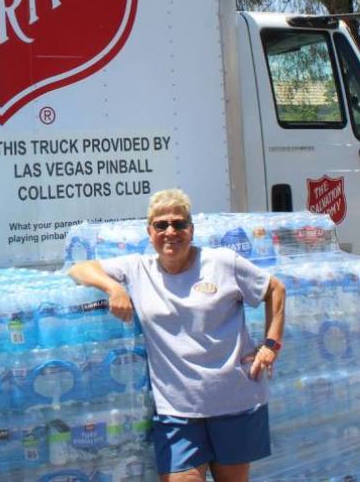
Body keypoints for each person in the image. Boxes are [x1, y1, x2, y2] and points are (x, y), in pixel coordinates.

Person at [68, 188, 285, 482]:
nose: (171, 231)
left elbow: (275, 289)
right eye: (162, 225)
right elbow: (80, 268)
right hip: (177, 409)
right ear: (150, 231)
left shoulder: (222, 262)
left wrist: (270, 346)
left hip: (234, 400)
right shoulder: (137, 268)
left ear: (191, 230)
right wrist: (114, 288)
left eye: (179, 224)